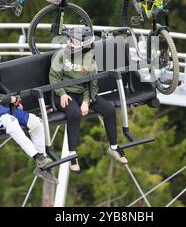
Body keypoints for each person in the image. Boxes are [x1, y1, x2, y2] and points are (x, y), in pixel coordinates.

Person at [0, 48, 58, 184]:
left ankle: (42, 164)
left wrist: (12, 96)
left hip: (1, 107)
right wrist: (9, 100)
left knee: (36, 122)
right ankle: (37, 156)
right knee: (11, 122)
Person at [49, 27, 128, 172]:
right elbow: (54, 77)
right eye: (70, 41)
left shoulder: (90, 62)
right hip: (63, 93)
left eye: (75, 42)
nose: (71, 44)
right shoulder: (61, 55)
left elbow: (92, 85)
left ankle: (114, 147)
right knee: (74, 113)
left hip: (82, 94)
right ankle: (72, 154)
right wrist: (61, 93)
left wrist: (86, 101)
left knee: (109, 109)